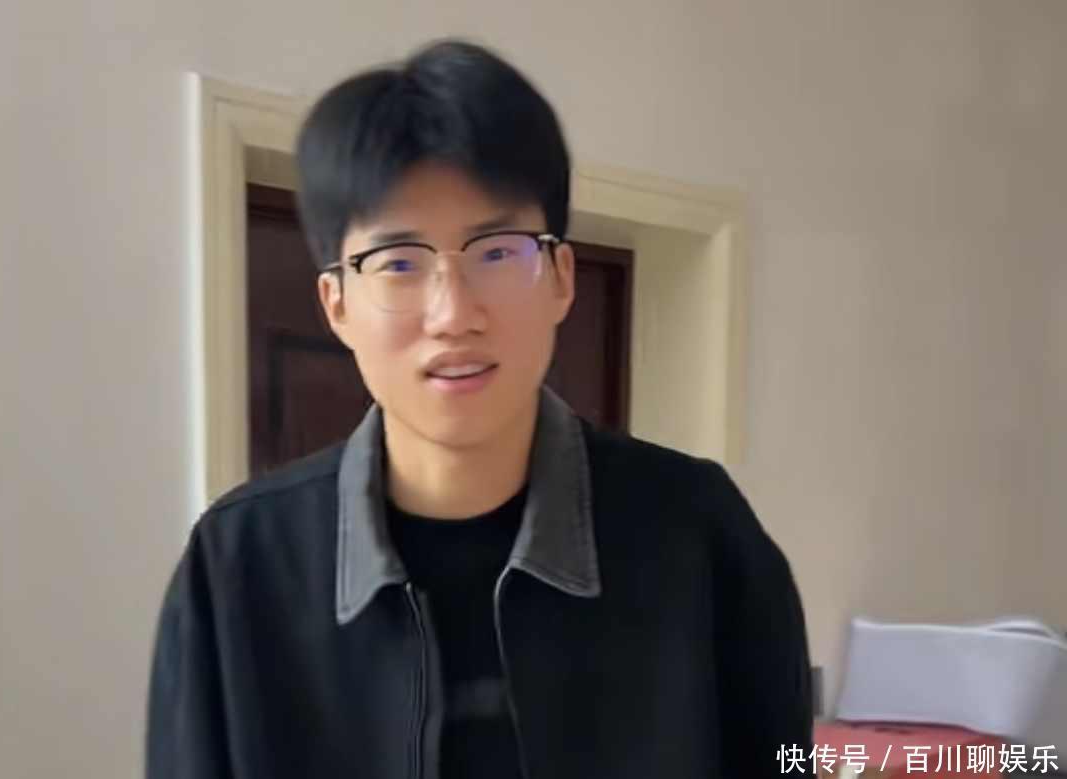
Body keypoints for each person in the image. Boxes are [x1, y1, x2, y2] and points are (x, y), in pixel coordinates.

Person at [146, 39, 813, 779]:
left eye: (497, 252)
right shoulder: (238, 568)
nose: (453, 313)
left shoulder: (700, 535)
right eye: (399, 263)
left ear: (561, 278)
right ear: (336, 305)